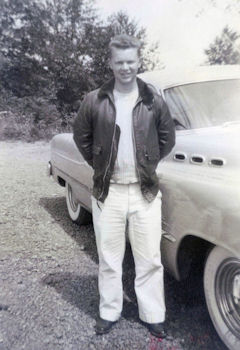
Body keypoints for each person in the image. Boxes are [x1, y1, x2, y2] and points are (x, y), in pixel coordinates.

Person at [73, 34, 175, 338]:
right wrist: (100, 164)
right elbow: (82, 137)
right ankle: (109, 311)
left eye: (131, 61)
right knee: (109, 257)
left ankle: (153, 314)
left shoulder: (153, 98)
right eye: (120, 62)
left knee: (150, 259)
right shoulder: (95, 99)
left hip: (145, 192)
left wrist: (148, 164)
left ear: (139, 61)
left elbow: (168, 138)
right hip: (110, 192)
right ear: (110, 63)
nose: (126, 67)